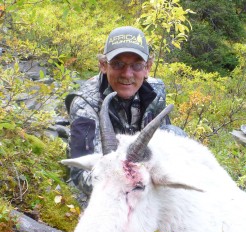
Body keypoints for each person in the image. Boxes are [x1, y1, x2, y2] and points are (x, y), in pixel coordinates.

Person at [65, 26, 186, 196]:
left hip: (142, 176)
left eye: (136, 65)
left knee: (175, 134)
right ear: (103, 65)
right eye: (118, 64)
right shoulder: (85, 103)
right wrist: (129, 186)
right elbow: (80, 174)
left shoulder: (155, 91)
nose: (127, 74)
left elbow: (163, 142)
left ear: (147, 68)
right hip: (108, 185)